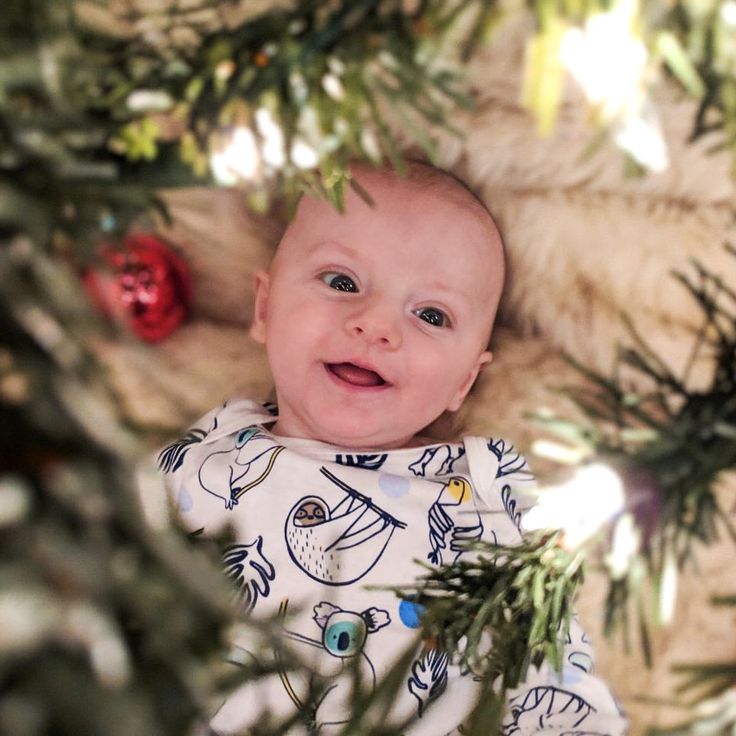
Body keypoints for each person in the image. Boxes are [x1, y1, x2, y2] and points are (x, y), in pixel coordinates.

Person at [158, 162, 627, 735]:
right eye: (341, 282)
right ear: (265, 308)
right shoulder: (209, 454)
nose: (376, 325)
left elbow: (551, 670)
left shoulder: (477, 494)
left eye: (431, 315)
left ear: (464, 383)